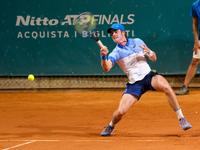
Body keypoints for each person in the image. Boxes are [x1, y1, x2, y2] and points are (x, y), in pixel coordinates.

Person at [100, 23, 192, 136]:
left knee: (166, 87)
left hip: (148, 76)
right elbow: (107, 68)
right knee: (120, 112)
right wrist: (104, 57)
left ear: (123, 33)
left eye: (116, 32)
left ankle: (181, 118)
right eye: (112, 33)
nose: (113, 34)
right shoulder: (116, 52)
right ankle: (111, 125)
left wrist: (149, 52)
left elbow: (154, 58)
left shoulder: (138, 41)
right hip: (134, 84)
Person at [176, 0, 200, 95]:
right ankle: (185, 87)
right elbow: (195, 23)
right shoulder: (195, 5)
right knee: (195, 61)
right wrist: (196, 41)